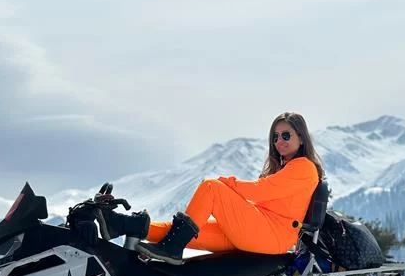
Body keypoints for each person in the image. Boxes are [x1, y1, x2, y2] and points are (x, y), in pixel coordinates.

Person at [96, 112, 325, 265]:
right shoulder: (287, 168)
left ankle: (172, 249)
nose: (279, 141)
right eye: (276, 136)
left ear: (301, 138)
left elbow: (260, 191)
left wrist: (228, 184)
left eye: (286, 135)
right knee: (191, 231)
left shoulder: (303, 167)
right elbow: (262, 196)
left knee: (212, 187)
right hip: (260, 231)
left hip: (272, 236)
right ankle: (123, 224)